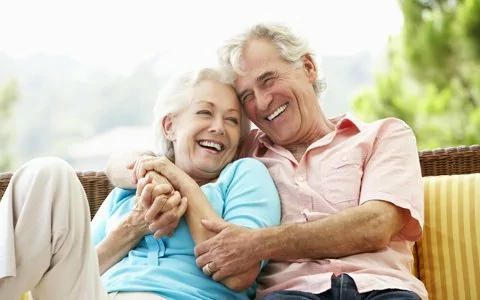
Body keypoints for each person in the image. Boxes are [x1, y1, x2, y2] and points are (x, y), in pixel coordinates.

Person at [113, 23, 428, 299]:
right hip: (291, 295)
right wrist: (148, 171)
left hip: (380, 289)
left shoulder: (383, 135)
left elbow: (376, 225)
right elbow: (141, 158)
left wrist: (255, 244)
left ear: (308, 67)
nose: (262, 102)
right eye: (247, 95)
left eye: (268, 80)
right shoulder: (244, 150)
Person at [0, 68, 281, 300]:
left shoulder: (245, 176)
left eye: (232, 120)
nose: (219, 127)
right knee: (48, 172)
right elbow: (78, 270)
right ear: (170, 126)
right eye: (205, 113)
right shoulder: (131, 188)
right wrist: (133, 227)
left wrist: (183, 185)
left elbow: (237, 274)